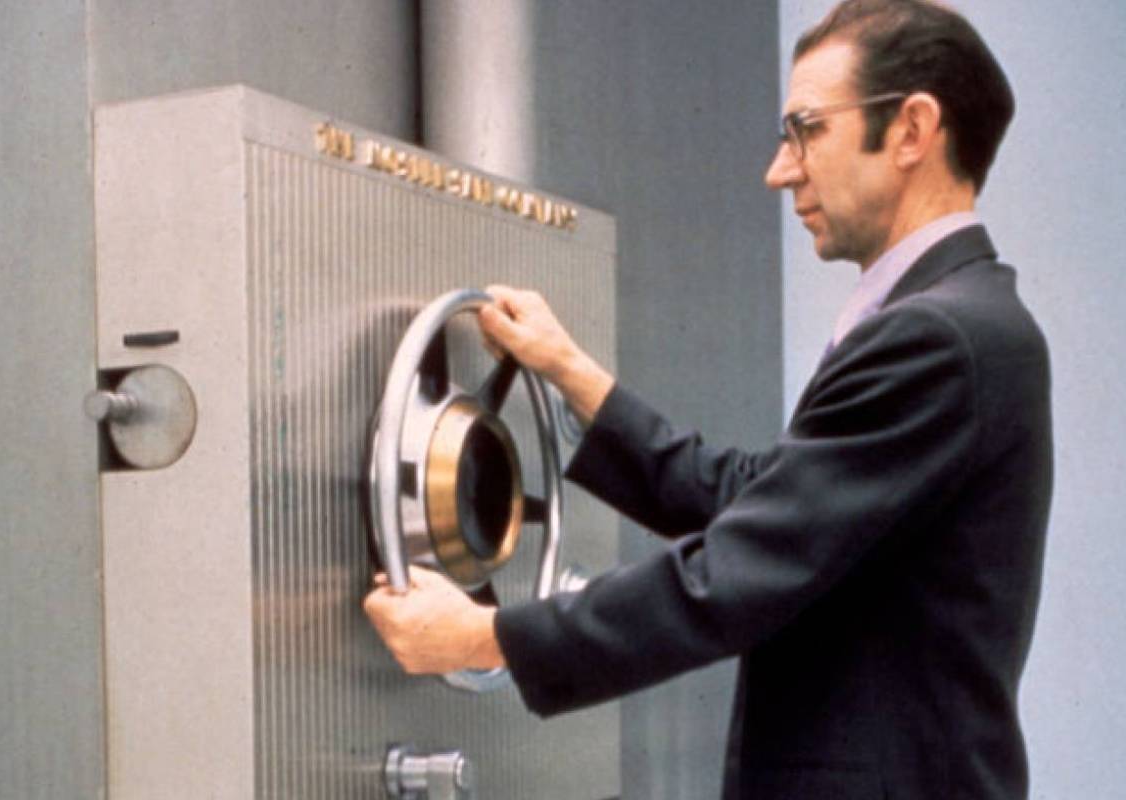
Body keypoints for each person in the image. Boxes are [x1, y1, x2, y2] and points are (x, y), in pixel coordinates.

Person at [363, 1, 1052, 797]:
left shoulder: (940, 338)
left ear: (910, 130)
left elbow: (738, 569)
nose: (780, 168)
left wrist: (483, 636)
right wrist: (573, 374)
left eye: (806, 130)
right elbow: (761, 502)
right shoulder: (956, 321)